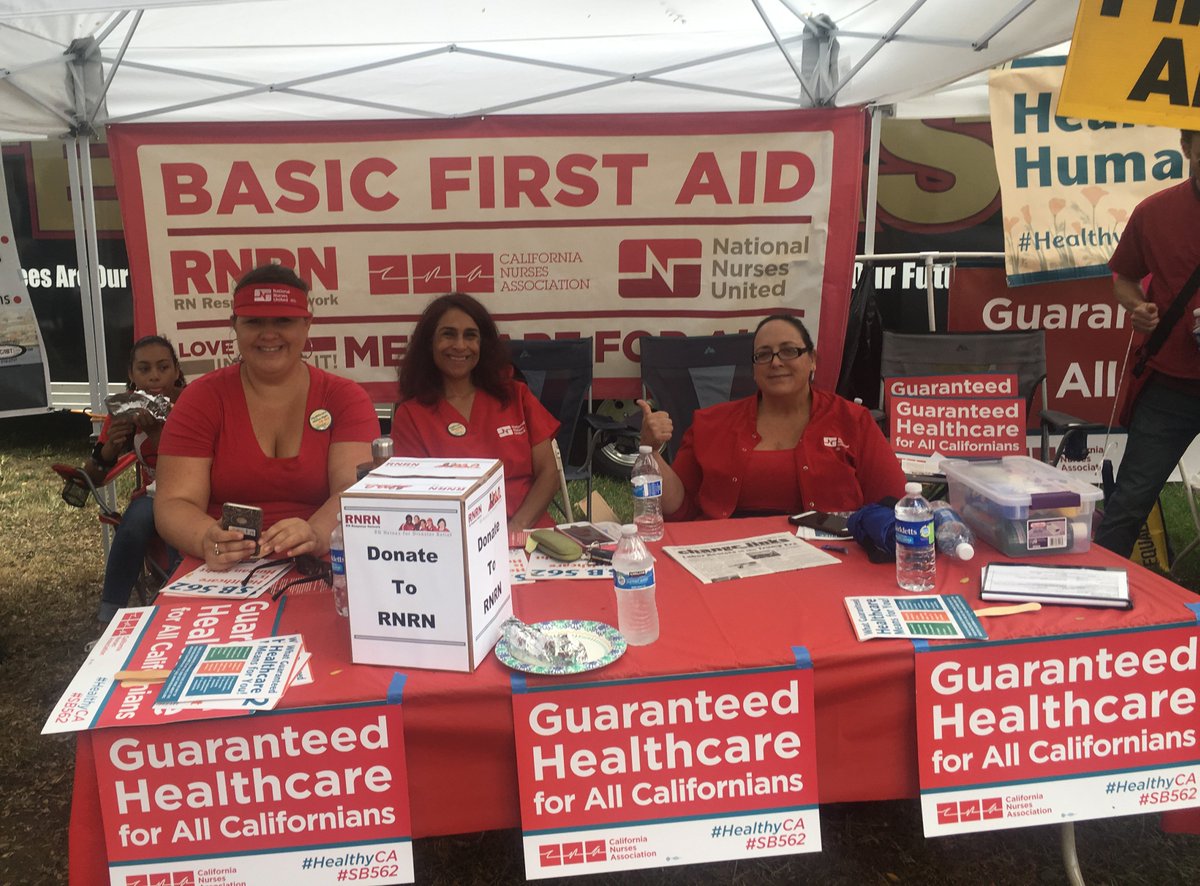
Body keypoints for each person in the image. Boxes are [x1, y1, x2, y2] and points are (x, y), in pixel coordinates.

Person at [155, 264, 380, 569]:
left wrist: (315, 534)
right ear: (235, 325)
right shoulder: (201, 399)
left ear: (307, 324)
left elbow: (352, 491)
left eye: (283, 321)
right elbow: (173, 503)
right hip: (221, 568)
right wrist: (206, 538)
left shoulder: (345, 398)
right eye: (254, 321)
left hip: (325, 561)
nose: (269, 334)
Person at [640, 314, 906, 520]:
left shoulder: (853, 421)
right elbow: (680, 508)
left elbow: (896, 505)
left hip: (831, 555)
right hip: (726, 557)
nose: (776, 362)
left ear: (812, 360)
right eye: (764, 354)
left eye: (789, 351)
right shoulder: (710, 424)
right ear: (754, 369)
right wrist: (650, 452)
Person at [1095, 129, 1200, 558]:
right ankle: (1098, 587)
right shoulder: (1155, 212)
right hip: (1170, 386)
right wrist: (1138, 307)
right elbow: (1124, 280)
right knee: (1128, 503)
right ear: (1187, 147)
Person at [391, 292, 560, 531]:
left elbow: (549, 473)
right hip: (456, 536)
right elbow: (418, 500)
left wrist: (516, 528)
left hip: (528, 531)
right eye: (448, 334)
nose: (460, 345)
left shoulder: (516, 395)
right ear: (429, 343)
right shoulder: (411, 415)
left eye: (470, 336)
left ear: (482, 344)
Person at [86, 335, 185, 622]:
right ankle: (109, 615)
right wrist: (109, 448)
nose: (154, 376)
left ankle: (178, 608)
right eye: (144, 369)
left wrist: (155, 433)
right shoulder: (125, 410)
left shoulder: (192, 403)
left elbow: (188, 465)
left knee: (177, 526)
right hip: (153, 495)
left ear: (176, 371)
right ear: (131, 374)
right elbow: (93, 476)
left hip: (196, 491)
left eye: (163, 367)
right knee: (133, 524)